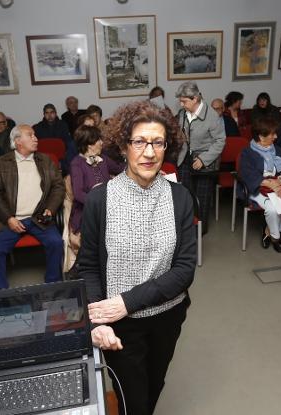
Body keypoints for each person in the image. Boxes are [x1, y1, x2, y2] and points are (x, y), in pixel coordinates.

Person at [77, 100, 196, 415]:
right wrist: (97, 320)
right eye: (139, 141)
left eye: (158, 142)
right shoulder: (99, 199)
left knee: (154, 387)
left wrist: (126, 300)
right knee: (133, 402)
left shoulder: (180, 197)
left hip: (167, 318)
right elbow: (87, 267)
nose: (149, 151)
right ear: (123, 146)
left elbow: (184, 270)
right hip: (119, 326)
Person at [0, 124, 65, 289]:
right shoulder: (2, 163)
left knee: (56, 243)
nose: (36, 138)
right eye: (31, 135)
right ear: (18, 141)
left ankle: (53, 285)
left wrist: (50, 208)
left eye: (35, 135)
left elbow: (58, 186)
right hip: (12, 219)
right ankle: (1, 293)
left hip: (39, 217)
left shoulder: (46, 160)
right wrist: (8, 218)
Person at [68, 126, 123, 272]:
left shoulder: (103, 159)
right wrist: (100, 204)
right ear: (89, 144)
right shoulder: (77, 164)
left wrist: (143, 168)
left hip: (109, 208)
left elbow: (121, 169)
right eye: (98, 140)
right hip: (88, 211)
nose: (101, 143)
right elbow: (78, 194)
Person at [175, 81, 226, 235]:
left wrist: (204, 160)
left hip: (204, 161)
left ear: (195, 99)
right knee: (185, 195)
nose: (181, 104)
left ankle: (200, 230)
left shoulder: (212, 116)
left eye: (184, 101)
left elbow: (220, 141)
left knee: (202, 198)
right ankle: (188, 228)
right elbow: (180, 133)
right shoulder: (183, 114)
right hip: (185, 158)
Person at [240, 117, 281, 252]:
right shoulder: (247, 152)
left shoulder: (277, 149)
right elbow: (249, 175)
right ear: (261, 136)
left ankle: (268, 231)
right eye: (273, 134)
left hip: (277, 185)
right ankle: (276, 238)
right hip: (257, 188)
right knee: (272, 208)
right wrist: (272, 184)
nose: (276, 136)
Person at [33, 103, 76, 173]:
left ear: (55, 113)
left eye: (52, 112)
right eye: (47, 113)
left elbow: (68, 141)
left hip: (61, 159)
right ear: (44, 114)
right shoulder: (38, 127)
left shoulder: (63, 125)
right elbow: (35, 144)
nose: (49, 115)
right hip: (43, 159)